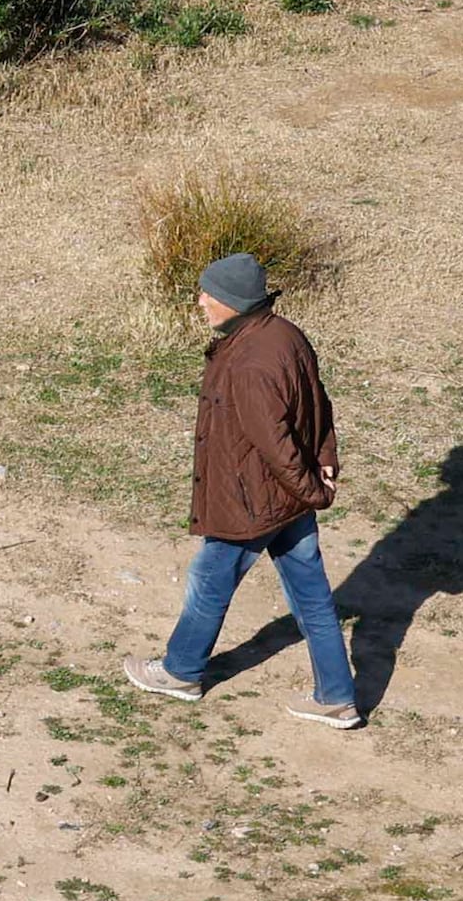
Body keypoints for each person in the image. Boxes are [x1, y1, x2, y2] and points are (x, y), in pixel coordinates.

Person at [131, 248, 362, 725]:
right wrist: (325, 458)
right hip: (287, 501)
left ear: (233, 302)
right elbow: (319, 405)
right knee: (314, 599)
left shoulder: (250, 364)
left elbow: (276, 444)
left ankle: (180, 671)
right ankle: (337, 696)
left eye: (208, 294)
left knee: (209, 583)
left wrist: (312, 489)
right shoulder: (285, 336)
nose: (200, 301)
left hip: (253, 502)